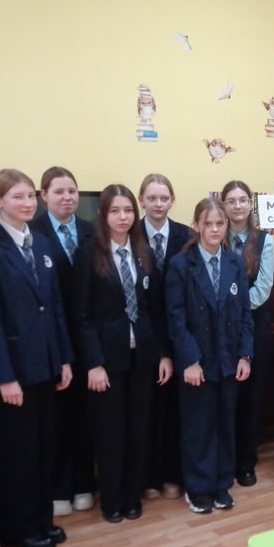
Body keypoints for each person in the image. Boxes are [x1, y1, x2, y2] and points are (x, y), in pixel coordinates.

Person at [0, 169, 73, 547]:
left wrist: (63, 359)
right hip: (14, 372)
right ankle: (15, 528)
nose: (28, 203)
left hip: (45, 364)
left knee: (44, 447)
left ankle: (40, 519)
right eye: (18, 197)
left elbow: (56, 307)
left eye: (31, 196)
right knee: (17, 453)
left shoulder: (42, 243)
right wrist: (4, 376)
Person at [73, 184, 172, 524]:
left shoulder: (142, 252)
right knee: (110, 432)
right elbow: (82, 316)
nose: (122, 217)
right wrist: (94, 363)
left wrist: (163, 354)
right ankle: (112, 499)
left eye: (128, 210)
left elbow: (154, 310)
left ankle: (132, 496)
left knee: (138, 430)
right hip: (107, 362)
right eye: (115, 211)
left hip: (142, 357)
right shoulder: (88, 254)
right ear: (103, 214)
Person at [166, 198, 254, 514]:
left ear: (226, 226)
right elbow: (175, 319)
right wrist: (190, 361)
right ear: (197, 226)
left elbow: (245, 315)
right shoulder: (181, 265)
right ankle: (199, 487)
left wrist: (245, 355)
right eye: (208, 224)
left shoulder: (234, 263)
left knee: (225, 424)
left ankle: (221, 484)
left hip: (228, 360)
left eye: (220, 224)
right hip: (197, 363)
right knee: (199, 426)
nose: (215, 229)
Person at [30, 166, 96, 518]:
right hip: (51, 341)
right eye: (58, 191)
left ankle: (84, 483)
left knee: (85, 416)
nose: (67, 197)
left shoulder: (91, 231)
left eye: (72, 191)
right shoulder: (33, 232)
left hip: (90, 339)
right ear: (44, 196)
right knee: (56, 419)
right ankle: (58, 488)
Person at [138, 173, 190, 501]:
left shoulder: (187, 236)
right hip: (143, 337)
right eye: (152, 198)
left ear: (172, 200)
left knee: (176, 411)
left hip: (179, 335)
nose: (158, 204)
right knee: (147, 411)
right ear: (141, 200)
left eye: (164, 198)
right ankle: (149, 477)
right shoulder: (129, 233)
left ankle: (174, 474)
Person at [222, 180, 274, 487]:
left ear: (251, 204)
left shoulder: (264, 241)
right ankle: (225, 459)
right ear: (224, 206)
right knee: (226, 396)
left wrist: (234, 309)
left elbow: (263, 289)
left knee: (251, 397)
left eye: (242, 200)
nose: (237, 205)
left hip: (255, 327)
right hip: (221, 329)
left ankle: (246, 462)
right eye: (231, 201)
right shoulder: (216, 235)